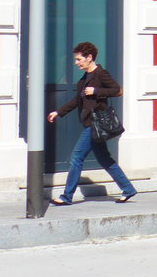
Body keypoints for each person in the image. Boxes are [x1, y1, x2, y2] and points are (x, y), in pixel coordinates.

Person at [47, 41, 137, 205]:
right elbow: (77, 100)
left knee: (76, 157)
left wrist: (96, 91)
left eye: (79, 59)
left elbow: (117, 90)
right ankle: (128, 189)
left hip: (95, 124)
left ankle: (66, 196)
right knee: (104, 159)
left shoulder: (101, 74)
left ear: (89, 58)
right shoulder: (84, 79)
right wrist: (58, 112)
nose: (76, 63)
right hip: (91, 123)